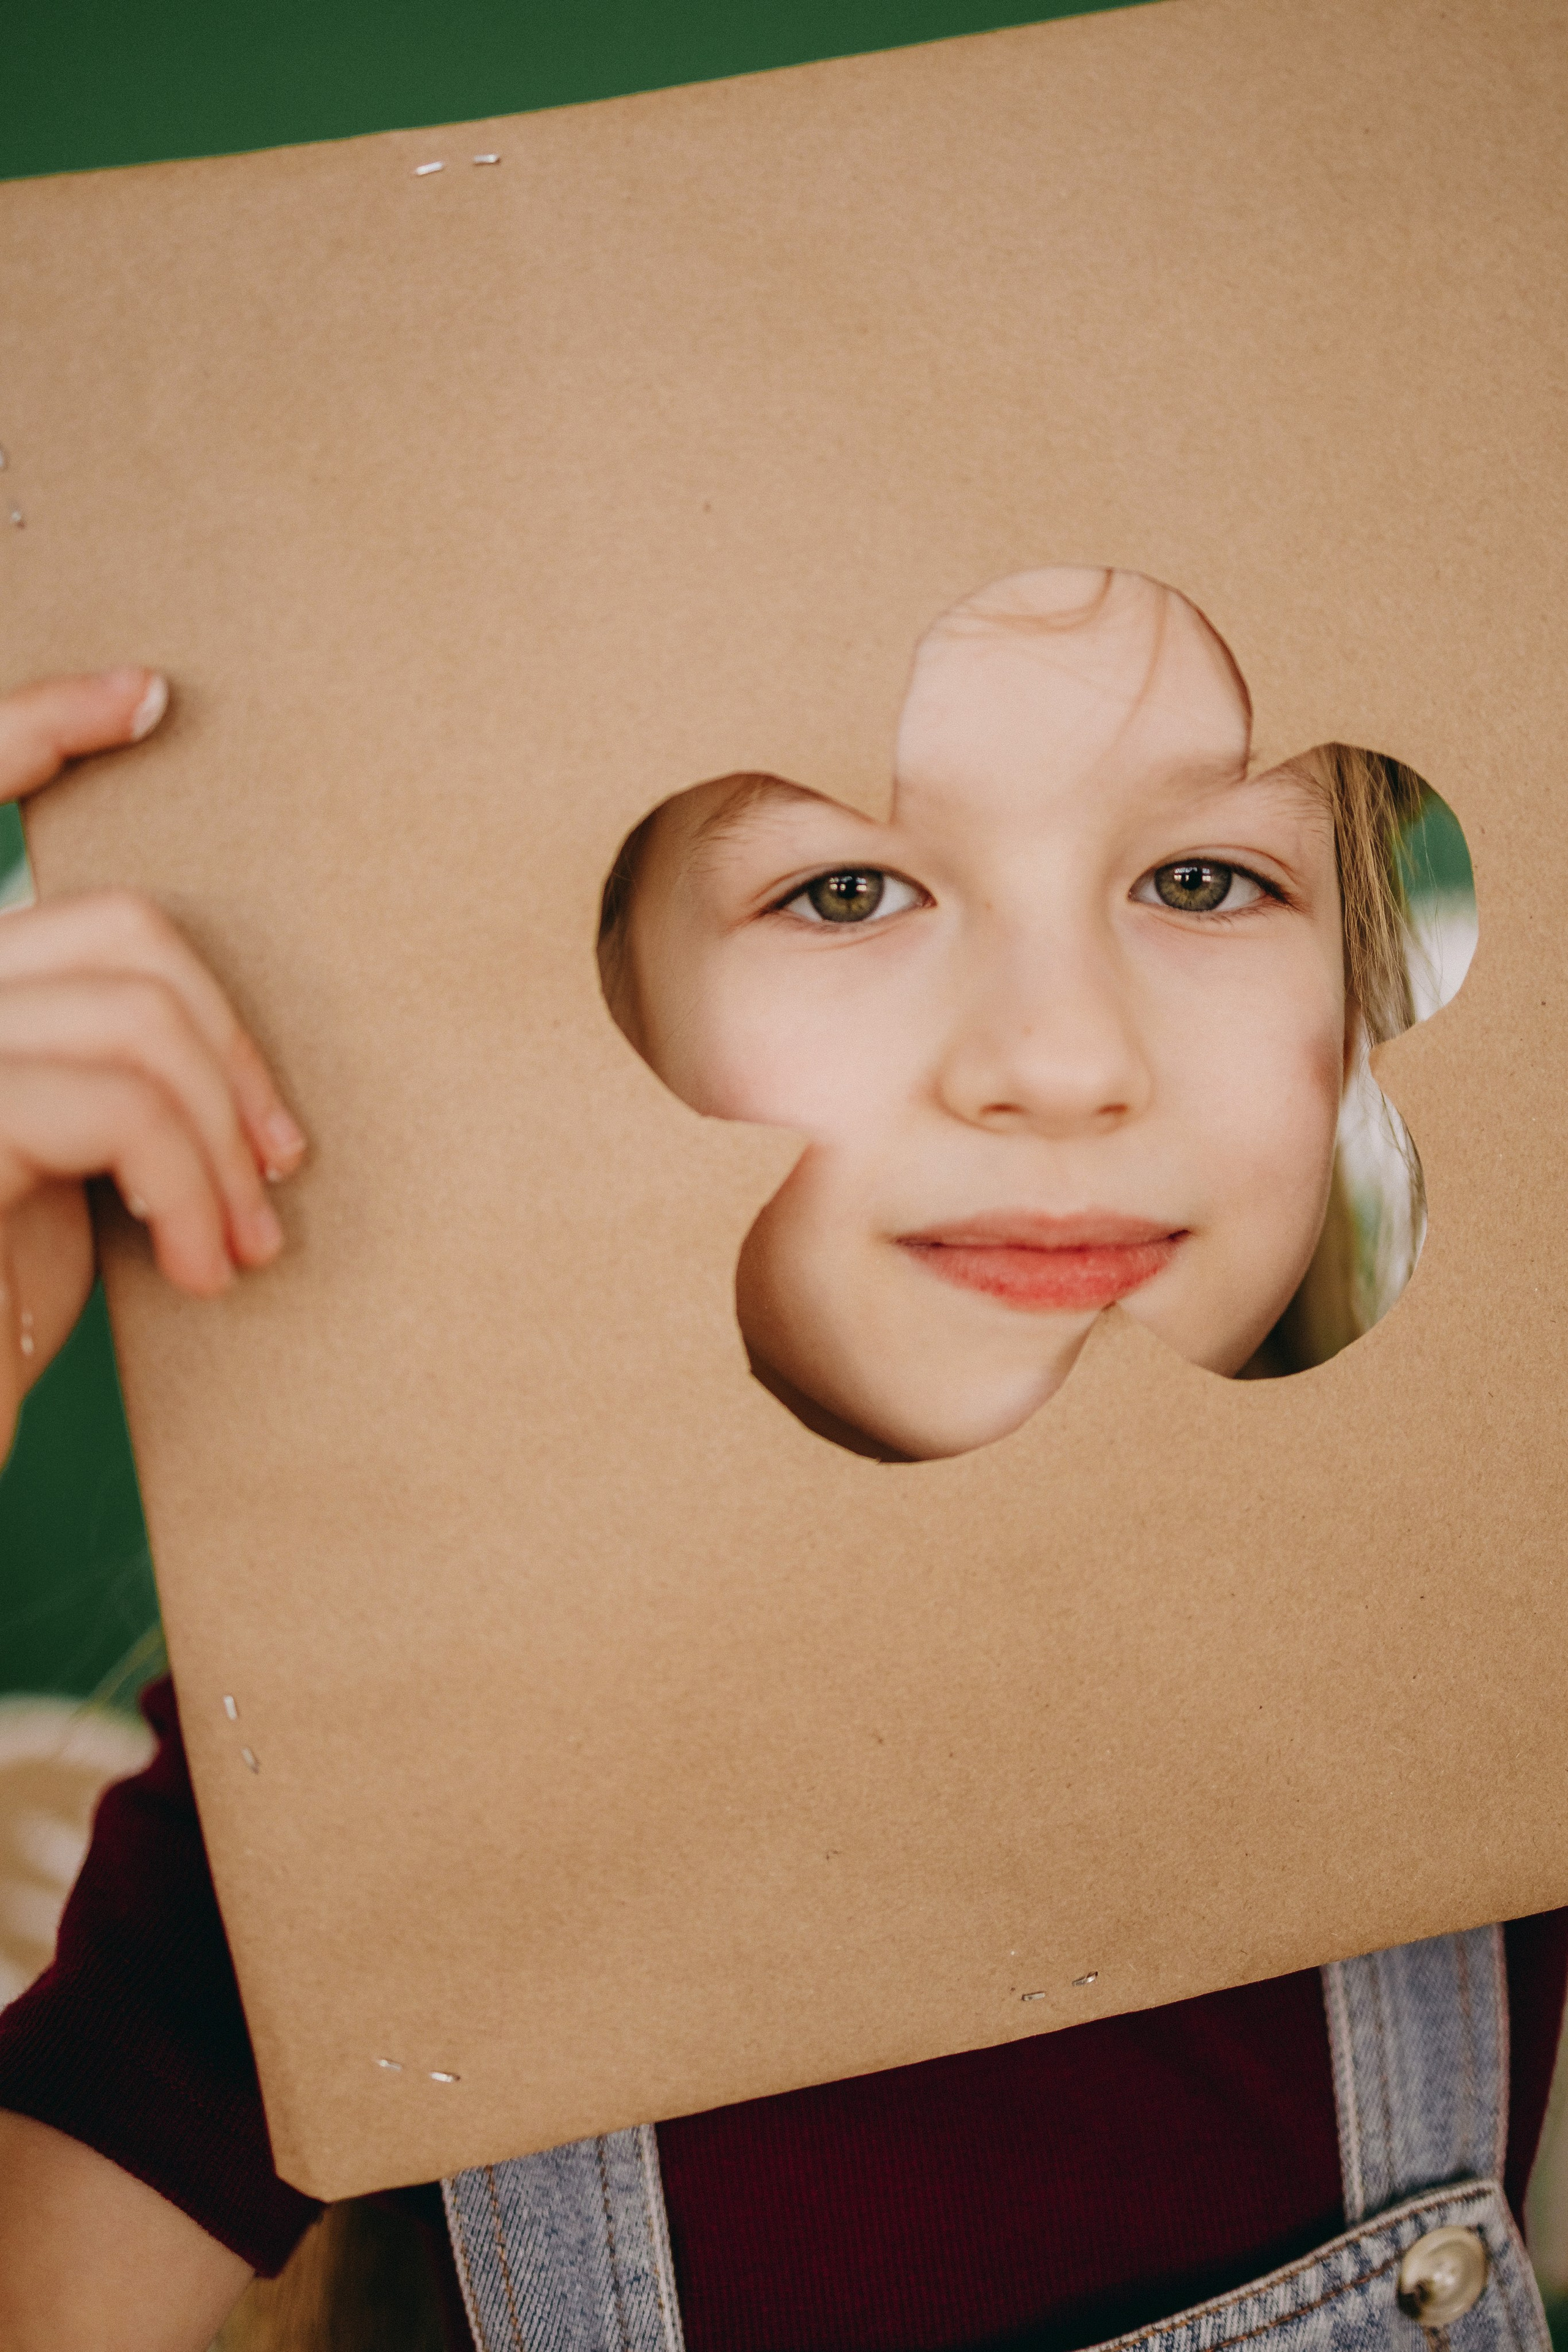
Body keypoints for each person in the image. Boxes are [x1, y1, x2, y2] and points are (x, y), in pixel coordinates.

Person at [0, 581, 1558, 2352]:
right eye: (845, 889)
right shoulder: (376, 1768)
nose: (1063, 1063)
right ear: (599, 1016)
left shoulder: (1492, 1621)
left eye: (1204, 881)